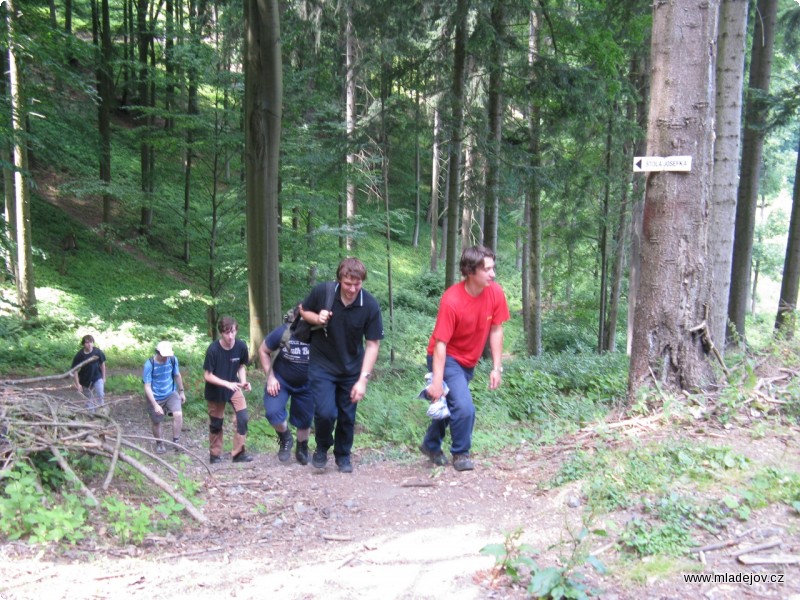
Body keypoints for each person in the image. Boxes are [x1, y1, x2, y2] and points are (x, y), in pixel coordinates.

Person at [419, 245, 510, 472]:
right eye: (486, 269)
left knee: (451, 406)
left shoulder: (495, 292)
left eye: (493, 268)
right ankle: (461, 453)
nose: (493, 274)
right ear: (470, 271)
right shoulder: (452, 300)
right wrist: (437, 382)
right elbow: (441, 344)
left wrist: (497, 367)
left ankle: (431, 445)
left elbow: (496, 329)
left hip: (469, 360)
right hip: (445, 356)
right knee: (464, 407)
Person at [299, 257, 383, 473]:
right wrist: (317, 318)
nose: (352, 289)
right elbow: (303, 311)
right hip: (322, 364)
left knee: (347, 415)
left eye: (357, 284)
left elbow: (373, 344)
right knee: (326, 412)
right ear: (339, 280)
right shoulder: (323, 292)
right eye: (348, 284)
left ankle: (343, 455)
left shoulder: (370, 305)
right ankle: (321, 447)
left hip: (352, 367)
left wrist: (363, 379)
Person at [257, 306, 313, 465]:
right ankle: (285, 437)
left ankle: (302, 447)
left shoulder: (318, 334)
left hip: (307, 384)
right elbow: (263, 350)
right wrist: (271, 378)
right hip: (281, 381)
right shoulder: (283, 332)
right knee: (273, 412)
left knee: (305, 420)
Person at [203, 316, 253, 464]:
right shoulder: (213, 350)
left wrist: (243, 382)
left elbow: (241, 366)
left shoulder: (241, 346)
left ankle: (238, 454)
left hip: (234, 388)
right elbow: (207, 375)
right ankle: (215, 455)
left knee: (243, 418)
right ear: (221, 333)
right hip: (216, 390)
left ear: (236, 331)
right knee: (216, 424)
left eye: (232, 332)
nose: (230, 336)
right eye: (226, 333)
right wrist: (226, 383)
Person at [142, 341, 186, 454]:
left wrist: (181, 391)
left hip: (171, 392)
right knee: (157, 421)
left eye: (168, 355)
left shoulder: (172, 360)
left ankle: (176, 440)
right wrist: (155, 405)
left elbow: (177, 375)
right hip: (155, 396)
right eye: (164, 355)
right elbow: (147, 386)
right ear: (158, 353)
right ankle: (159, 443)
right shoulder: (149, 364)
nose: (167, 358)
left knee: (178, 415)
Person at [71, 334, 107, 412]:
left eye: (91, 342)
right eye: (87, 342)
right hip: (85, 379)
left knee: (100, 394)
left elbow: (102, 364)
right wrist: (77, 384)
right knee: (88, 399)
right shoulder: (80, 355)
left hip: (97, 377)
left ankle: (102, 412)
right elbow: (75, 370)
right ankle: (91, 415)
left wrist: (103, 377)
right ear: (84, 344)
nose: (89, 344)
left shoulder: (98, 352)